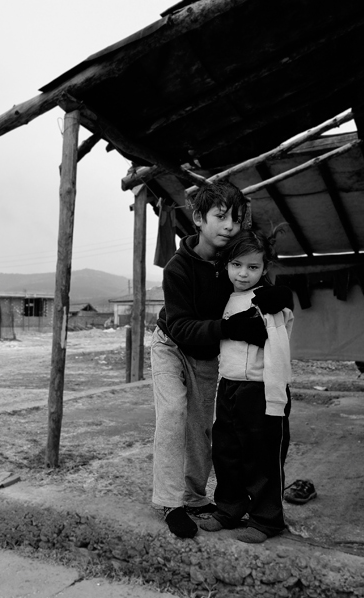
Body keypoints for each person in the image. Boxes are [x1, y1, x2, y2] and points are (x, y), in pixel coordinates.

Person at [151, 181, 273, 539]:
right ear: (199, 218)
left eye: (236, 218)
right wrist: (230, 327)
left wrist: (276, 296)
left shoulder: (232, 260)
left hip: (206, 355)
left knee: (202, 428)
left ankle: (194, 496)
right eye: (221, 217)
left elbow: (257, 280)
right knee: (173, 413)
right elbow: (181, 326)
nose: (229, 226)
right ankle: (170, 503)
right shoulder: (177, 268)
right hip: (171, 345)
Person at [198, 229, 295, 543]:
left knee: (262, 457)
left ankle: (267, 520)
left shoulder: (269, 300)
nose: (243, 273)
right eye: (237, 265)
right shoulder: (224, 298)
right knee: (226, 452)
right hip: (229, 387)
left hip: (261, 389)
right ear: (227, 264)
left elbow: (279, 345)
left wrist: (275, 397)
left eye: (253, 267)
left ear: (265, 268)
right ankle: (229, 509)